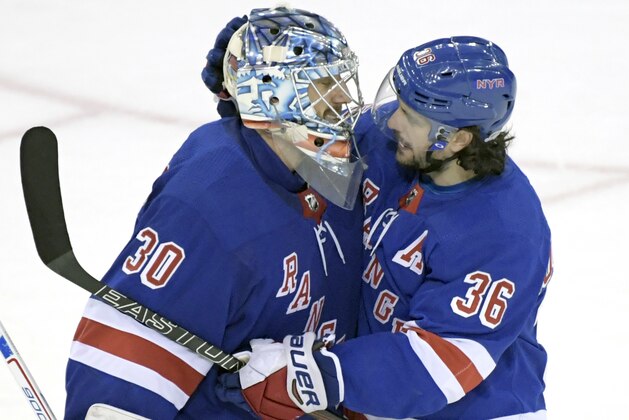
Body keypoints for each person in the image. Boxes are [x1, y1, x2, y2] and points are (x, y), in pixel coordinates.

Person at [216, 35, 553, 419]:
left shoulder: (504, 233)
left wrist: (318, 375)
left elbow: (438, 362)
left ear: (456, 140)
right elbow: (299, 145)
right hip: (375, 397)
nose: (392, 121)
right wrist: (244, 93)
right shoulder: (396, 145)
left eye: (410, 116)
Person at [63, 7, 366, 419]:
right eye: (324, 85)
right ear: (271, 94)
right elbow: (124, 370)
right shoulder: (211, 203)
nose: (344, 100)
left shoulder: (319, 166)